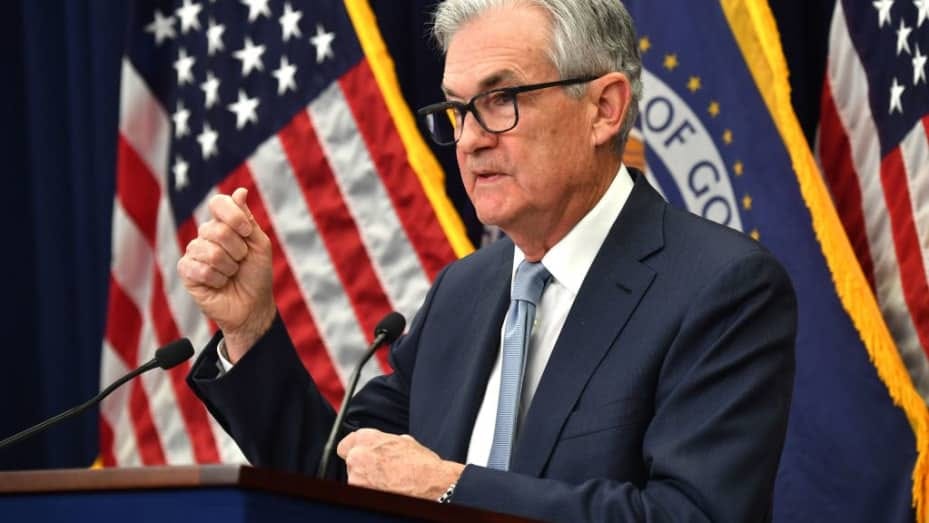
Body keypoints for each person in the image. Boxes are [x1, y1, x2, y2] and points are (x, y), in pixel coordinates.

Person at [178, 0, 797, 521]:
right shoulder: (463, 292)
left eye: (501, 99)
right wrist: (250, 328)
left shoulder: (721, 287)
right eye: (457, 108)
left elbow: (690, 515)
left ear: (604, 109)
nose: (470, 138)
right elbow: (337, 481)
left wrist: (451, 488)